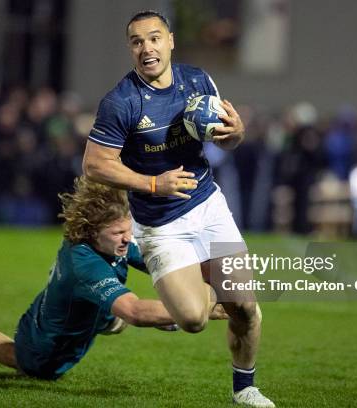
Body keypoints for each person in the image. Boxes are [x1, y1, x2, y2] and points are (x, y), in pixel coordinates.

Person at [81, 10, 275, 408]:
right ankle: (194, 291)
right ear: (131, 49)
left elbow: (226, 140)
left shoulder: (198, 81)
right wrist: (154, 183)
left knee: (247, 310)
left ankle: (245, 388)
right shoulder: (121, 102)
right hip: (160, 224)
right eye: (137, 41)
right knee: (192, 319)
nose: (146, 48)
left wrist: (236, 133)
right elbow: (95, 164)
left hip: (209, 207)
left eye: (154, 38)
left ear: (170, 40)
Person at [0, 176, 227, 379]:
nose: (126, 239)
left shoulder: (106, 239)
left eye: (127, 229)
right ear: (92, 232)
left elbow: (159, 262)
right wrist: (209, 306)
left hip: (69, 310)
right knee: (20, 359)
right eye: (118, 233)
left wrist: (211, 271)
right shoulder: (84, 263)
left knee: (123, 317)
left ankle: (114, 319)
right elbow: (135, 311)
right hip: (47, 347)